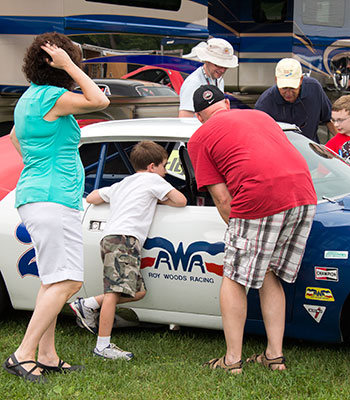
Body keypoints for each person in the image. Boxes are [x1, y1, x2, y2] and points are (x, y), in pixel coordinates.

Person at [3, 32, 110, 383]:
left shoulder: (28, 99)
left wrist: (41, 163)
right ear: (60, 63)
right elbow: (99, 100)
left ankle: (47, 356)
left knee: (51, 280)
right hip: (53, 198)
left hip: (36, 195)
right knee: (69, 281)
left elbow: (18, 139)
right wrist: (70, 67)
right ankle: (22, 355)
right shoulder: (53, 96)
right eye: (73, 59)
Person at [188, 85, 317, 373]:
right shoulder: (261, 117)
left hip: (261, 196)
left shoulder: (199, 138)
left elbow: (222, 199)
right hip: (304, 194)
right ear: (227, 105)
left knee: (234, 277)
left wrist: (238, 236)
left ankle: (232, 360)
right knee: (269, 271)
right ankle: (274, 356)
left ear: (199, 117)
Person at [70, 141, 187, 359]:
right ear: (152, 167)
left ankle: (88, 303)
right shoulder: (153, 180)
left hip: (111, 239)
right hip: (125, 240)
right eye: (164, 167)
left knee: (138, 292)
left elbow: (93, 197)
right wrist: (160, 200)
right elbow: (181, 200)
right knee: (113, 294)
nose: (165, 172)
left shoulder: (123, 184)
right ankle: (102, 346)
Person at [255, 58, 336, 143]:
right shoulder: (264, 104)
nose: (288, 93)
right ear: (276, 80)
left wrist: (344, 143)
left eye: (293, 88)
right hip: (281, 151)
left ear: (301, 80)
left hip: (309, 149)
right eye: (284, 88)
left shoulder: (314, 88)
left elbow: (329, 119)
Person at [178, 38, 238, 117]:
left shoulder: (219, 80)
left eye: (226, 66)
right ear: (207, 61)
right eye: (218, 65)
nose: (222, 70)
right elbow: (185, 116)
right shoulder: (193, 82)